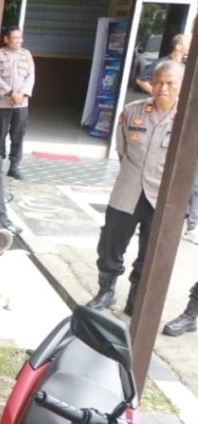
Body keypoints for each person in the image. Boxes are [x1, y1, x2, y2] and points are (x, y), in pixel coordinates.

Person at [85, 60, 185, 315]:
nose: (162, 88)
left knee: (150, 251)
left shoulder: (187, 119)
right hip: (127, 191)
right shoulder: (133, 111)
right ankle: (106, 292)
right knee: (110, 243)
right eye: (158, 82)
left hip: (160, 197)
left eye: (170, 83)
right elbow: (122, 150)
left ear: (181, 85)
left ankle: (135, 300)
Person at [0, 26, 34, 180]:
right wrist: (11, 93)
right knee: (0, 134)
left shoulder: (26, 54)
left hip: (21, 103)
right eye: (15, 38)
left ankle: (14, 166)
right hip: (3, 102)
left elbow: (31, 76)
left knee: (18, 135)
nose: (19, 41)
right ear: (6, 39)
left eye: (20, 38)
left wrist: (21, 94)